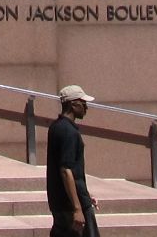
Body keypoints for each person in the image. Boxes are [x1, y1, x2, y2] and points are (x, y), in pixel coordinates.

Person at [46, 84, 99, 237]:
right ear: (73, 104)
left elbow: (72, 171)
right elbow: (65, 170)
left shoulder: (56, 127)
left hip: (61, 203)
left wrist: (86, 194)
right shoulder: (69, 132)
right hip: (71, 206)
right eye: (83, 103)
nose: (86, 107)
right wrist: (78, 208)